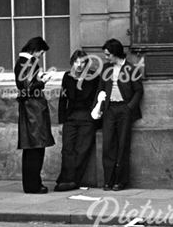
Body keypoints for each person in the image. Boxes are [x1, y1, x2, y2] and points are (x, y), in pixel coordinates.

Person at [95, 38, 143, 191]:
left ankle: (120, 181)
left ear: (116, 54)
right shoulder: (106, 68)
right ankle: (108, 181)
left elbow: (139, 91)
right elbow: (101, 89)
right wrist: (99, 108)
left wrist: (129, 108)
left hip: (124, 109)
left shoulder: (131, 69)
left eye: (108, 55)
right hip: (109, 110)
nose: (106, 57)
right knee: (108, 145)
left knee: (123, 145)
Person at [55, 49, 101, 191]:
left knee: (82, 150)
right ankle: (66, 178)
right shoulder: (67, 77)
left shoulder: (93, 77)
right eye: (76, 62)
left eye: (82, 62)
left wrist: (96, 118)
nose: (79, 65)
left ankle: (73, 180)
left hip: (87, 118)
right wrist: (61, 121)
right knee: (67, 149)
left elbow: (96, 98)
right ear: (72, 63)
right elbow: (63, 99)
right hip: (71, 117)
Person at [15, 37, 55, 194]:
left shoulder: (24, 62)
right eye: (41, 52)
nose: (41, 55)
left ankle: (32, 184)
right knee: (35, 149)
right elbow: (28, 87)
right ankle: (33, 185)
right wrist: (43, 80)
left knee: (32, 149)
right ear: (35, 49)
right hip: (33, 109)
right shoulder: (28, 63)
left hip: (31, 108)